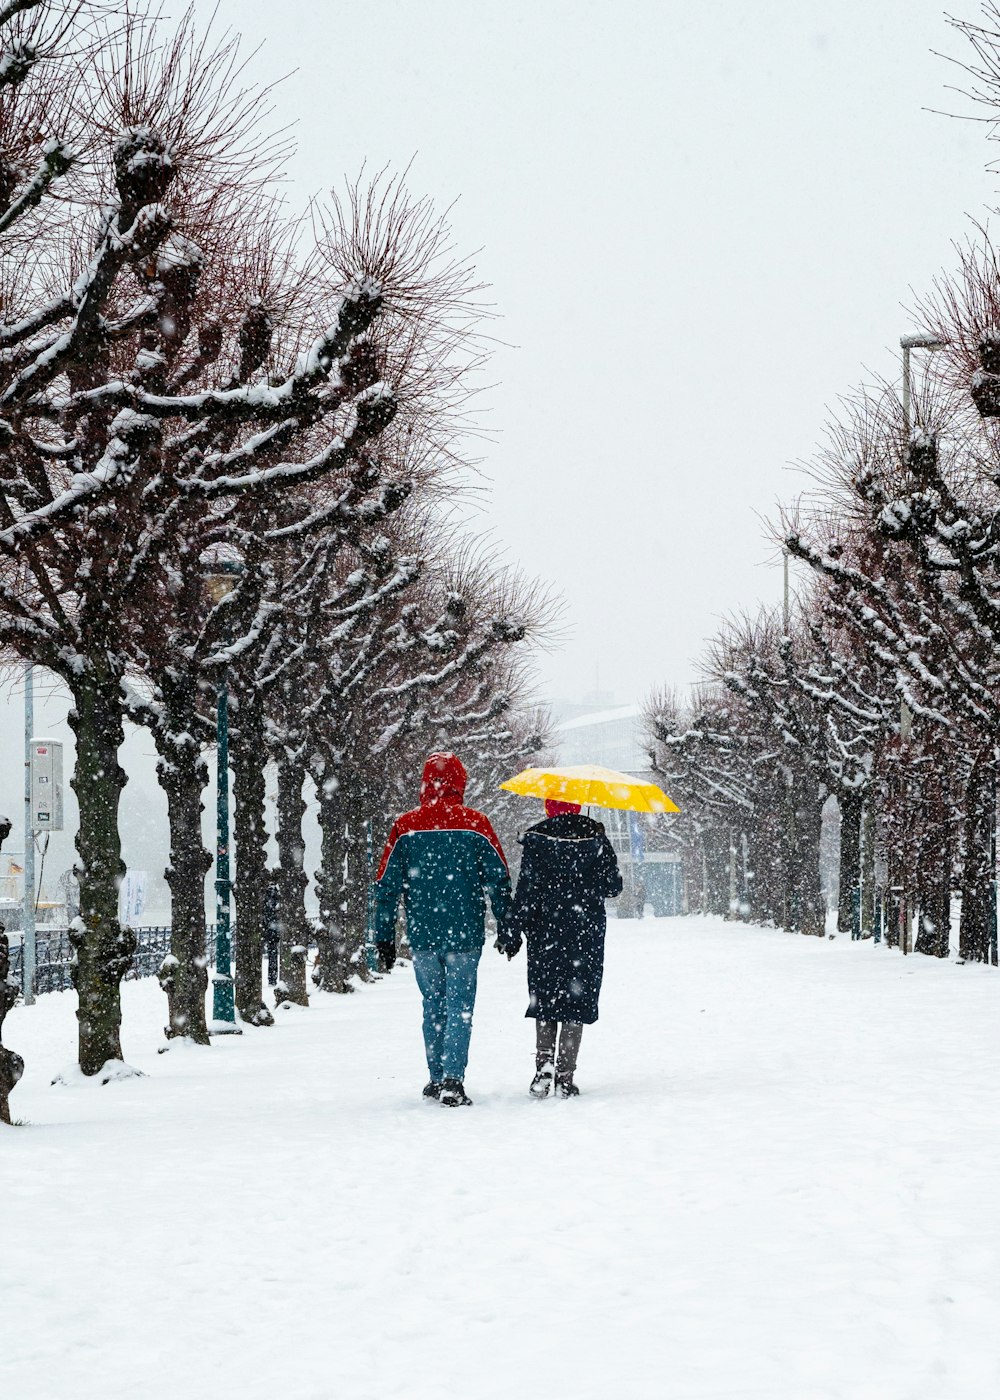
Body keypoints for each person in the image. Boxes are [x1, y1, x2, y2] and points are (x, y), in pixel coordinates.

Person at [374, 752, 511, 1108]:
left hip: (422, 934)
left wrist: (384, 935)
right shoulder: (476, 824)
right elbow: (498, 880)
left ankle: (436, 1078)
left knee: (432, 1005)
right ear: (460, 782)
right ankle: (453, 1078)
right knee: (460, 1006)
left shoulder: (405, 826)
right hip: (465, 933)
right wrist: (508, 924)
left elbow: (385, 886)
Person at [498, 798, 622, 1098]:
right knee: (576, 1000)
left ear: (548, 807)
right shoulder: (596, 839)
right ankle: (565, 1076)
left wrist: (512, 930)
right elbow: (613, 887)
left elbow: (525, 891)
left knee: (545, 995)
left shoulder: (538, 839)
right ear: (578, 807)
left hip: (545, 931)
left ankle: (544, 1068)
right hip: (585, 932)